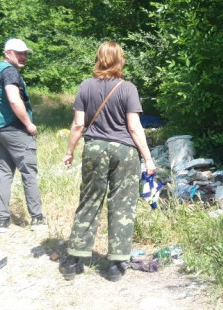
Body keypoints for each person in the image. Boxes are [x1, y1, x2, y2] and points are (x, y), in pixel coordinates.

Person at [60, 41, 156, 282]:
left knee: (89, 200)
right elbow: (134, 127)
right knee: (122, 205)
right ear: (120, 60)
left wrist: (70, 151)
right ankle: (115, 265)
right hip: (124, 151)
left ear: (99, 59)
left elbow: (79, 124)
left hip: (93, 149)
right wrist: (147, 157)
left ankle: (73, 261)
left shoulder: (85, 86)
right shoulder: (128, 88)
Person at [0, 38, 48, 233]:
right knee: (29, 172)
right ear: (7, 53)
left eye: (25, 53)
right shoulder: (10, 71)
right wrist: (29, 124)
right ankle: (37, 218)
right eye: (19, 52)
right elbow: (14, 100)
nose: (23, 56)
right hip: (15, 130)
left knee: (4, 173)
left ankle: (2, 220)